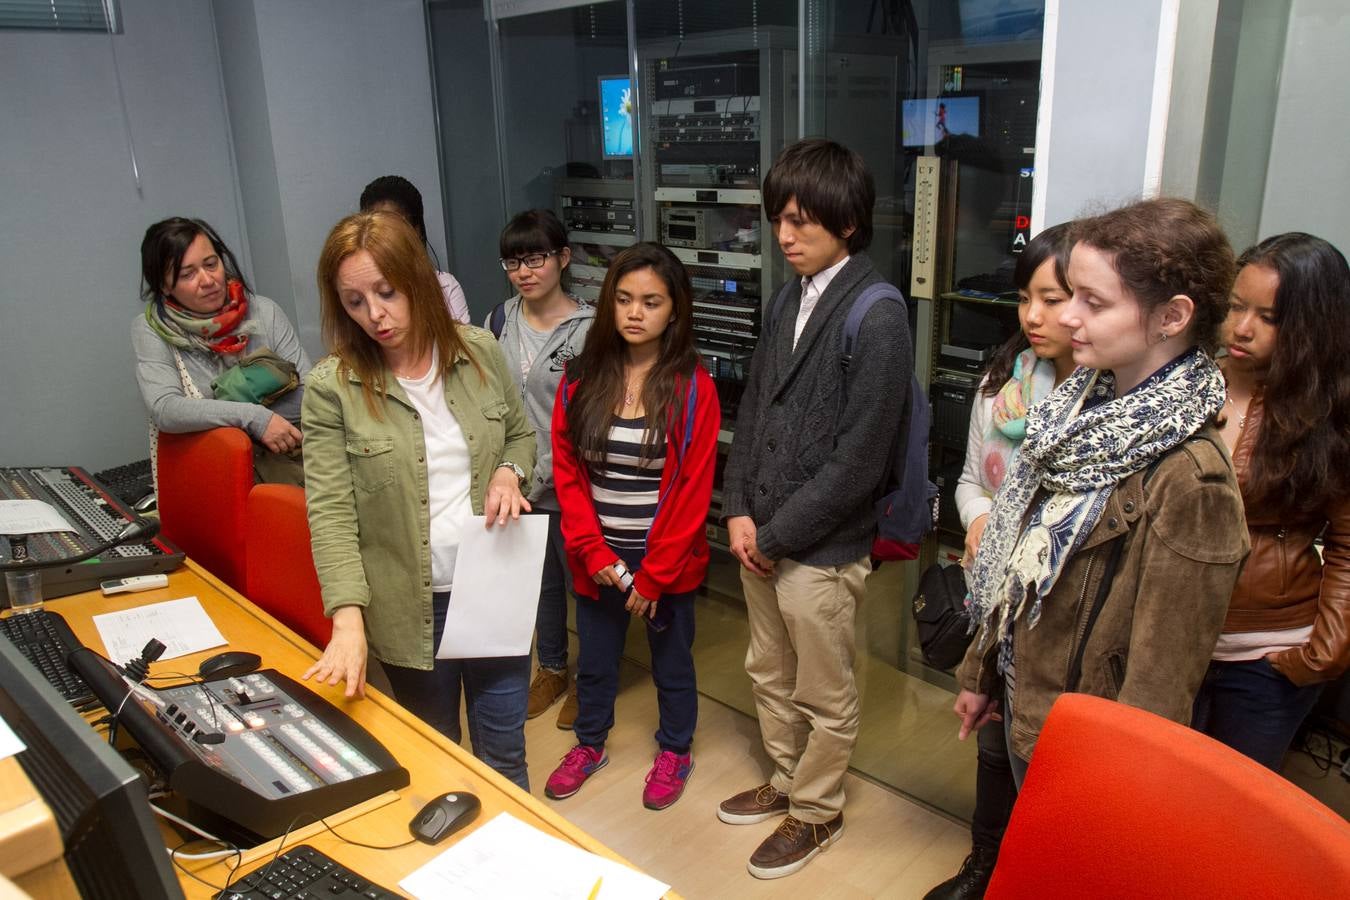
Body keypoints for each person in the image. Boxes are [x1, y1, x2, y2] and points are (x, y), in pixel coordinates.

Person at [954, 198, 1250, 791]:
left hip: (1089, 742)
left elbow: (1160, 680)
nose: (1067, 317)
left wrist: (1117, 788)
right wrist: (983, 670)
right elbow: (1018, 560)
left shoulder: (1192, 481)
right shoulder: (1074, 415)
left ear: (1172, 316)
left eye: (1094, 302)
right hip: (1028, 697)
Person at [718, 138, 913, 880]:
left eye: (800, 221)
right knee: (769, 671)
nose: (784, 235)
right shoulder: (787, 295)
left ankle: (818, 809)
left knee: (824, 692)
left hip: (820, 548)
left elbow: (860, 462)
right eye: (778, 218)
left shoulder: (878, 313)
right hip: (761, 534)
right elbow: (756, 410)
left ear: (848, 222)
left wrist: (775, 535)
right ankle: (786, 776)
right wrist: (737, 508)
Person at [302, 210, 536, 789]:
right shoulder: (333, 387)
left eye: (387, 293)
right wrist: (347, 620)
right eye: (355, 302)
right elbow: (331, 514)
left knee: (505, 755)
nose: (375, 315)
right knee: (437, 760)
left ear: (418, 281)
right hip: (411, 605)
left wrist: (509, 473)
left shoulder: (480, 351)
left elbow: (521, 435)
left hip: (492, 586)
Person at [926, 223, 1077, 900]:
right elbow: (968, 480)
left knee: (1054, 759)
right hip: (995, 601)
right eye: (1024, 298)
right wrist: (981, 518)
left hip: (1057, 610)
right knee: (991, 737)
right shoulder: (1001, 386)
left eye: (1053, 299)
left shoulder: (1106, 407)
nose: (1033, 316)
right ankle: (984, 865)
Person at [544, 242, 718, 811]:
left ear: (675, 309)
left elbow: (692, 490)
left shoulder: (693, 387)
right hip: (599, 554)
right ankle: (589, 744)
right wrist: (593, 551)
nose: (635, 313)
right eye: (623, 299)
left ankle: (676, 751)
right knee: (595, 661)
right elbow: (568, 473)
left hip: (665, 557)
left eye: (651, 301)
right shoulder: (581, 378)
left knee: (673, 663)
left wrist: (655, 575)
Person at [1192, 233, 1350, 769]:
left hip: (1268, 659)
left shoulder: (1331, 413)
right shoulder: (1186, 386)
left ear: (1312, 325)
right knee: (1158, 796)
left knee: (1231, 804)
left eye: (1269, 317)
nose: (1241, 328)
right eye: (1236, 306)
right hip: (1175, 642)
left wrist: (1323, 653)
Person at [486, 209, 595, 730]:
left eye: (535, 259)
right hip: (518, 486)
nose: (524, 272)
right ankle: (551, 669)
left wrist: (531, 474)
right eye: (513, 262)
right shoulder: (498, 322)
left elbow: (589, 420)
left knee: (584, 590)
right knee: (539, 586)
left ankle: (591, 681)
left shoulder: (590, 329)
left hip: (571, 484)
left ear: (563, 258)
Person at [133, 216, 309, 485]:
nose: (208, 280)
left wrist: (211, 416)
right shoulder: (152, 329)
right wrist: (254, 418)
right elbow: (166, 408)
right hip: (213, 481)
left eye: (211, 264)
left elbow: (310, 395)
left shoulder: (264, 311)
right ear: (164, 285)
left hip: (290, 471)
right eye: (188, 274)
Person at [359, 175, 470, 324]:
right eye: (376, 229)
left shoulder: (445, 286)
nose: (386, 239)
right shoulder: (357, 288)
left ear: (417, 231)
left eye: (394, 228)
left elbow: (461, 339)